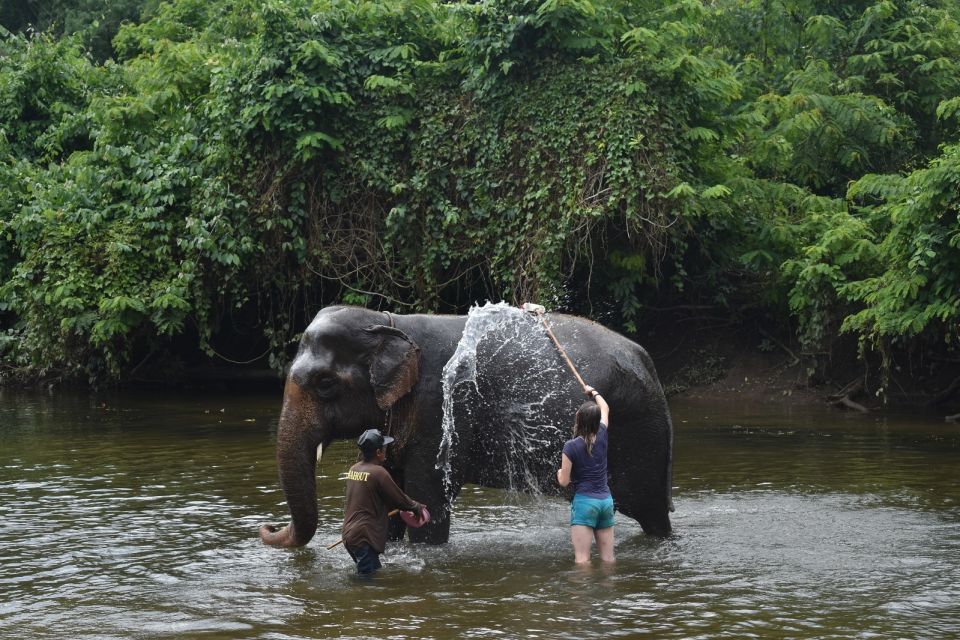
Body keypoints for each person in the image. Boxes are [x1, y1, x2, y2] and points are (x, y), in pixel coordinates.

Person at [342, 428, 425, 576]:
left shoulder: (354, 469)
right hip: (363, 537)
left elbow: (371, 498)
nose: (386, 452)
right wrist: (415, 507)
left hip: (349, 535)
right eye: (384, 448)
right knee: (367, 582)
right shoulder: (378, 472)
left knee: (373, 572)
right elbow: (399, 498)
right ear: (379, 452)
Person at [556, 384, 614, 563]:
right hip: (606, 502)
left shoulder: (570, 446)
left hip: (585, 503)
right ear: (597, 422)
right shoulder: (603, 433)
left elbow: (564, 482)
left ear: (578, 418)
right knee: (608, 559)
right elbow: (605, 407)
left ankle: (581, 591)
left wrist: (559, 473)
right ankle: (610, 590)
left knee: (582, 560)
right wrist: (594, 391)